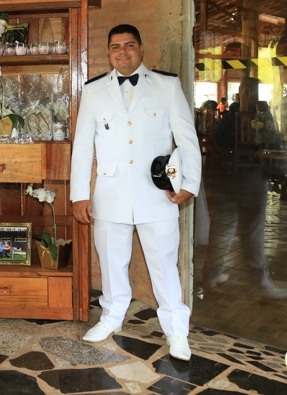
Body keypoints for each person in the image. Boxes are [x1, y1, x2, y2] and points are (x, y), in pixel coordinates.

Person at [70, 24, 201, 361]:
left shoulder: (166, 86)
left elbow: (187, 139)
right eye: (115, 46)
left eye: (129, 45)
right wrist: (79, 194)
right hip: (110, 193)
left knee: (164, 265)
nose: (122, 52)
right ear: (109, 52)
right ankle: (111, 318)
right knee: (111, 262)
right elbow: (82, 146)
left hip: (156, 194)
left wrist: (189, 183)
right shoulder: (94, 91)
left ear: (141, 49)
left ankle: (176, 330)